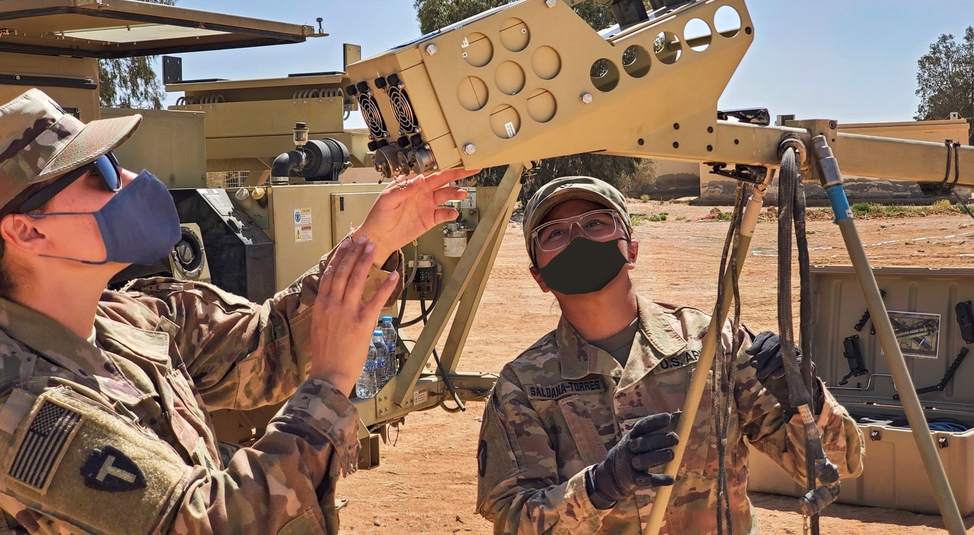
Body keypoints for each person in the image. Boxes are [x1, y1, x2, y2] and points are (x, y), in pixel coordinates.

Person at [0, 88, 472, 534]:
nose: (127, 180)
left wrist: (377, 240)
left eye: (116, 161)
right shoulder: (22, 411)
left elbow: (267, 346)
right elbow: (204, 524)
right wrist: (327, 387)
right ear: (27, 232)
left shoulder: (134, 319)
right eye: (97, 171)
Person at [475, 176, 864, 534]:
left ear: (632, 250)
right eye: (555, 232)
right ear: (539, 276)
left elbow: (837, 463)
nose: (578, 239)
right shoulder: (523, 386)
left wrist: (803, 396)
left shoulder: (714, 345)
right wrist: (597, 486)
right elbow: (513, 520)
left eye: (595, 224)